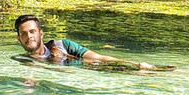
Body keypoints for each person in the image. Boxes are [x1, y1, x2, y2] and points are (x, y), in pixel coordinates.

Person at [14, 14, 168, 71]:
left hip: (98, 68)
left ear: (41, 34)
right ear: (18, 38)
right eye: (24, 34)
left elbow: (99, 58)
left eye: (32, 32)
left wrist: (135, 64)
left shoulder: (63, 45)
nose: (29, 36)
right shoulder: (21, 61)